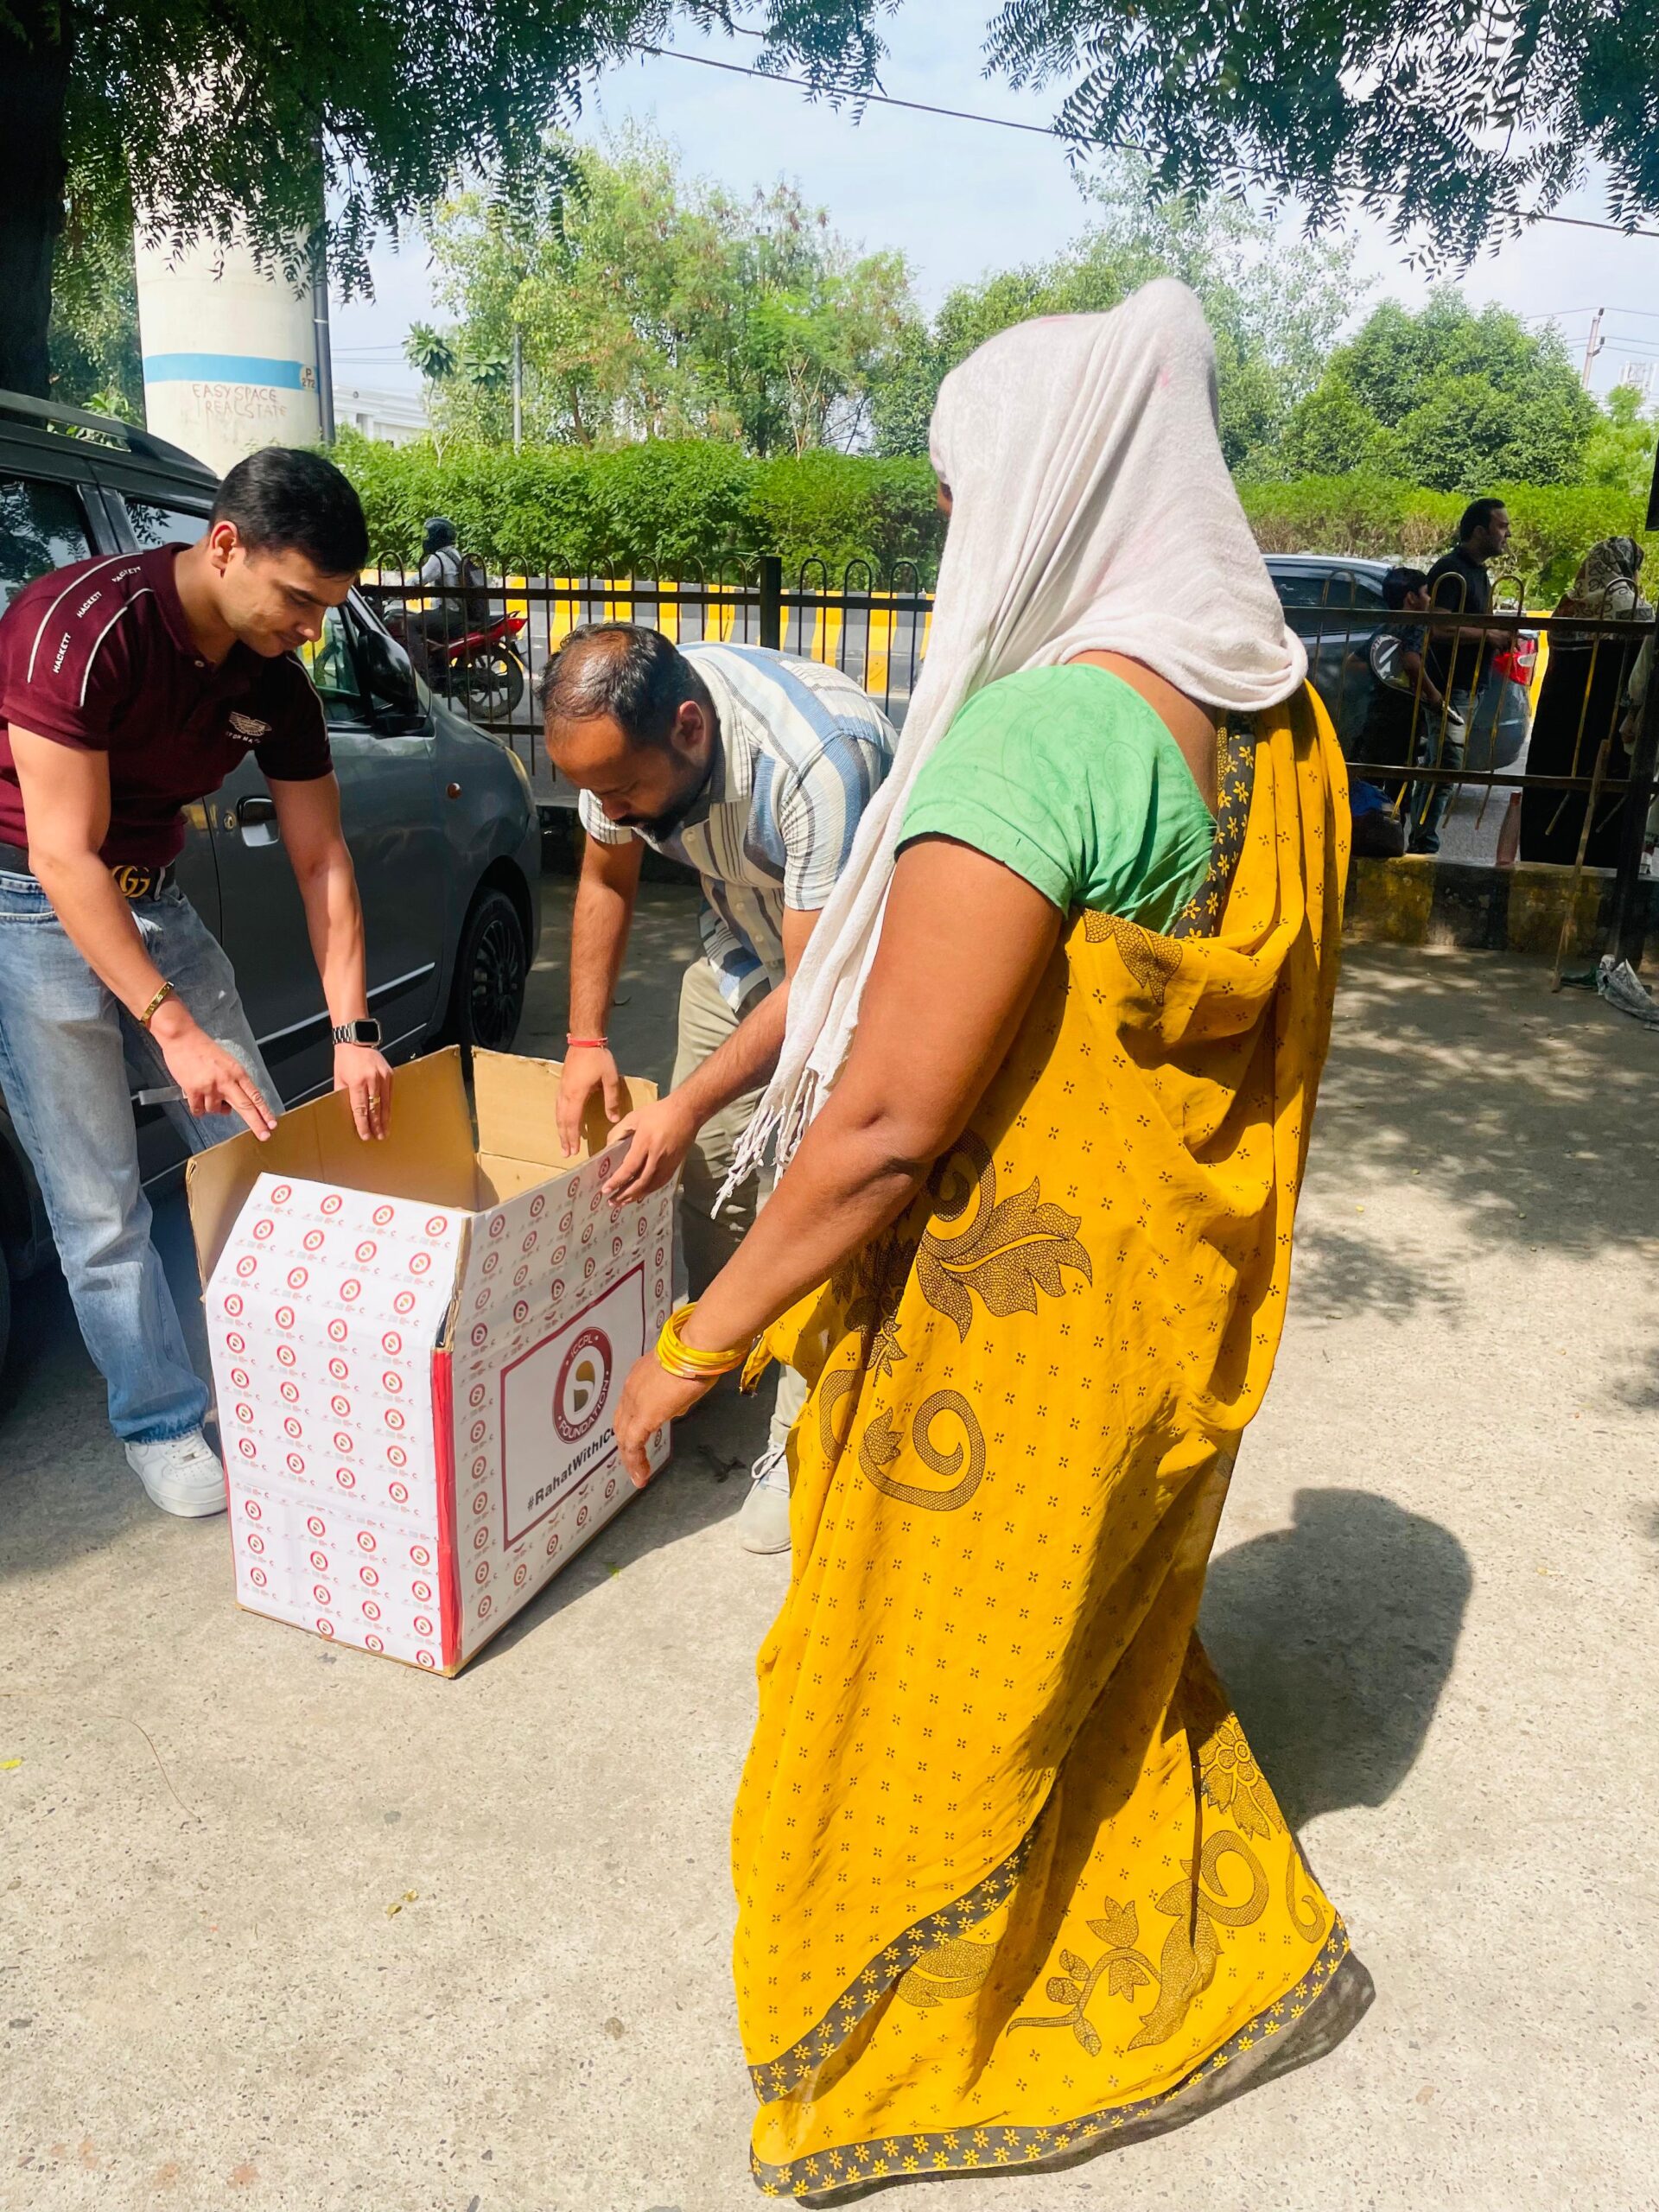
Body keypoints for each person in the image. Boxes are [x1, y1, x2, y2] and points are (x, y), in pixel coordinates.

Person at [613, 281, 1363, 2194]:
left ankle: (901, 2022)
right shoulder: (1280, 724)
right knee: (1081, 1627)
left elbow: (884, 1126)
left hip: (1000, 1339)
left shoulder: (1040, 740)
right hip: (1157, 1312)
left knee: (908, 1674)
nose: (958, 532)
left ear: (1049, 478)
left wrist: (701, 1340)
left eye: (962, 492)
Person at [0, 448, 393, 1519]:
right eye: (299, 600)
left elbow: (323, 859)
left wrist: (354, 1030)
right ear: (226, 545)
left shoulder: (274, 682)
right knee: (98, 1201)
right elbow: (62, 856)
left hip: (156, 901)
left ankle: (297, 1374)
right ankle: (160, 1421)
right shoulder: (80, 628)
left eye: (328, 609)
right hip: (31, 905)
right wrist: (172, 1029)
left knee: (254, 1149)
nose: (311, 629)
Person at [543, 624, 895, 1554]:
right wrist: (586, 1040)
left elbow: (814, 993)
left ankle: (801, 1429)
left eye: (622, 792)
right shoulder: (618, 741)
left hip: (851, 992)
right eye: (592, 792)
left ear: (690, 729)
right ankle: (716, 1354)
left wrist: (687, 1099)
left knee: (810, 1200)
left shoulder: (821, 763)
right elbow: (605, 877)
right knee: (699, 1174)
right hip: (740, 959)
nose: (609, 810)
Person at [1520, 537, 1652, 868]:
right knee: (1605, 803)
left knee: (1553, 793)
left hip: (1558, 725)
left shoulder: (1568, 605)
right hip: (1608, 724)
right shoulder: (1635, 610)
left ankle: (1544, 858)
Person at [1412, 497, 1512, 853]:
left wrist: (1497, 634)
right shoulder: (1451, 570)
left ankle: (1420, 837)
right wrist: (1489, 635)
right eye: (1502, 526)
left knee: (1440, 764)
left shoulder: (1478, 572)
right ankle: (1423, 842)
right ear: (1480, 531)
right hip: (1448, 684)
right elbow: (1438, 628)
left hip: (1469, 684)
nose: (1507, 534)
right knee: (1445, 764)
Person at [406, 516, 486, 681]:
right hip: (463, 614)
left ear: (437, 536)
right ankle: (438, 664)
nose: (426, 539)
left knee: (408, 624)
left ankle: (422, 669)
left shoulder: (439, 558)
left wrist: (396, 591)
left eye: (429, 535)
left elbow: (417, 580)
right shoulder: (455, 554)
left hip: (450, 614)